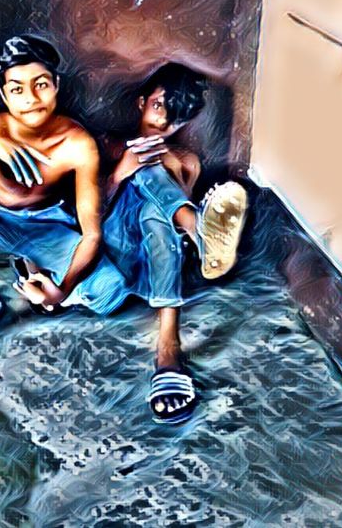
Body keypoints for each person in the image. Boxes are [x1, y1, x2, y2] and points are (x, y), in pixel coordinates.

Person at [0, 35, 128, 382]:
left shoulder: (77, 143)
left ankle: (31, 273)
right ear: (4, 95)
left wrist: (62, 290)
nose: (31, 99)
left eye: (41, 85)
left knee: (110, 292)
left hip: (44, 226)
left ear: (56, 85)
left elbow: (91, 233)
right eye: (17, 89)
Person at [101, 64, 248, 424]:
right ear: (141, 102)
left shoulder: (187, 161)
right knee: (143, 163)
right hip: (114, 253)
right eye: (158, 107)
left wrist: (167, 164)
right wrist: (122, 171)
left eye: (176, 118)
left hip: (157, 264)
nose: (164, 123)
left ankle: (168, 348)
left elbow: (168, 234)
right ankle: (203, 234)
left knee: (156, 207)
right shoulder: (110, 143)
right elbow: (91, 212)